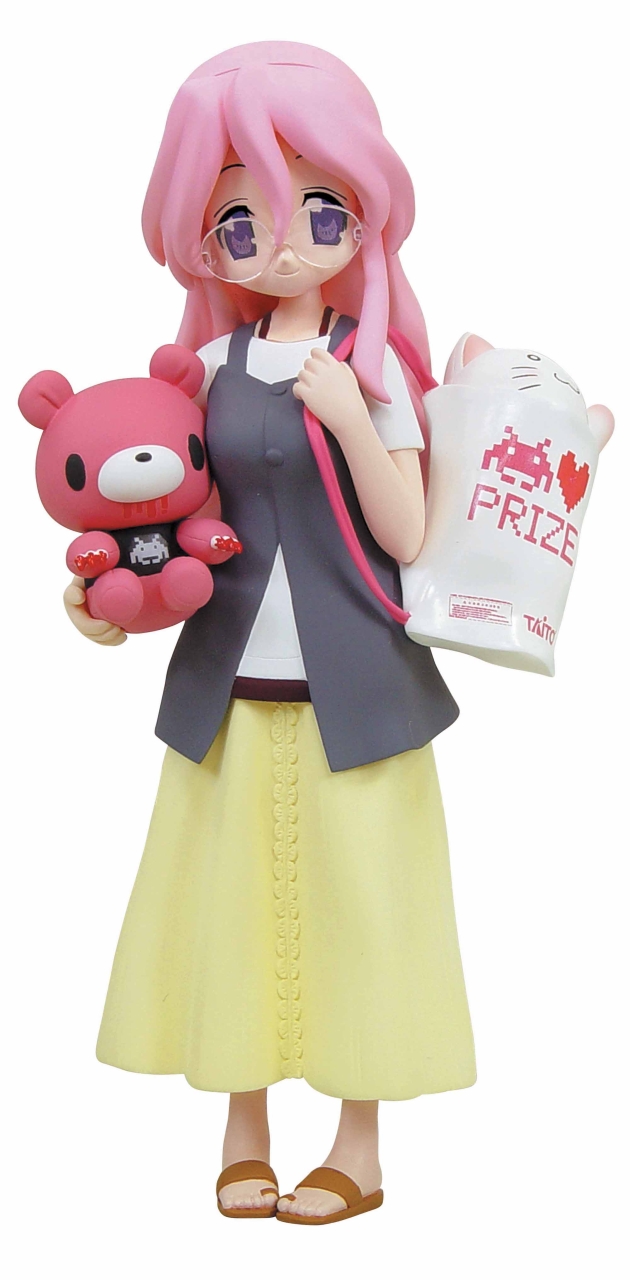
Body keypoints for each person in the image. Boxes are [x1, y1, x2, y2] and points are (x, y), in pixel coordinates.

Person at [64, 41, 476, 1225]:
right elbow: (155, 516)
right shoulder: (202, 370)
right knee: (229, 908)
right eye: (240, 223)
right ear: (204, 241)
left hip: (362, 691)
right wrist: (102, 599)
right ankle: (242, 1129)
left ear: (365, 213)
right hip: (229, 686)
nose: (282, 244)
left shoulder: (373, 369)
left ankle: (359, 1146)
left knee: (366, 913)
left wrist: (348, 415)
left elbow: (406, 531)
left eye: (318, 211)